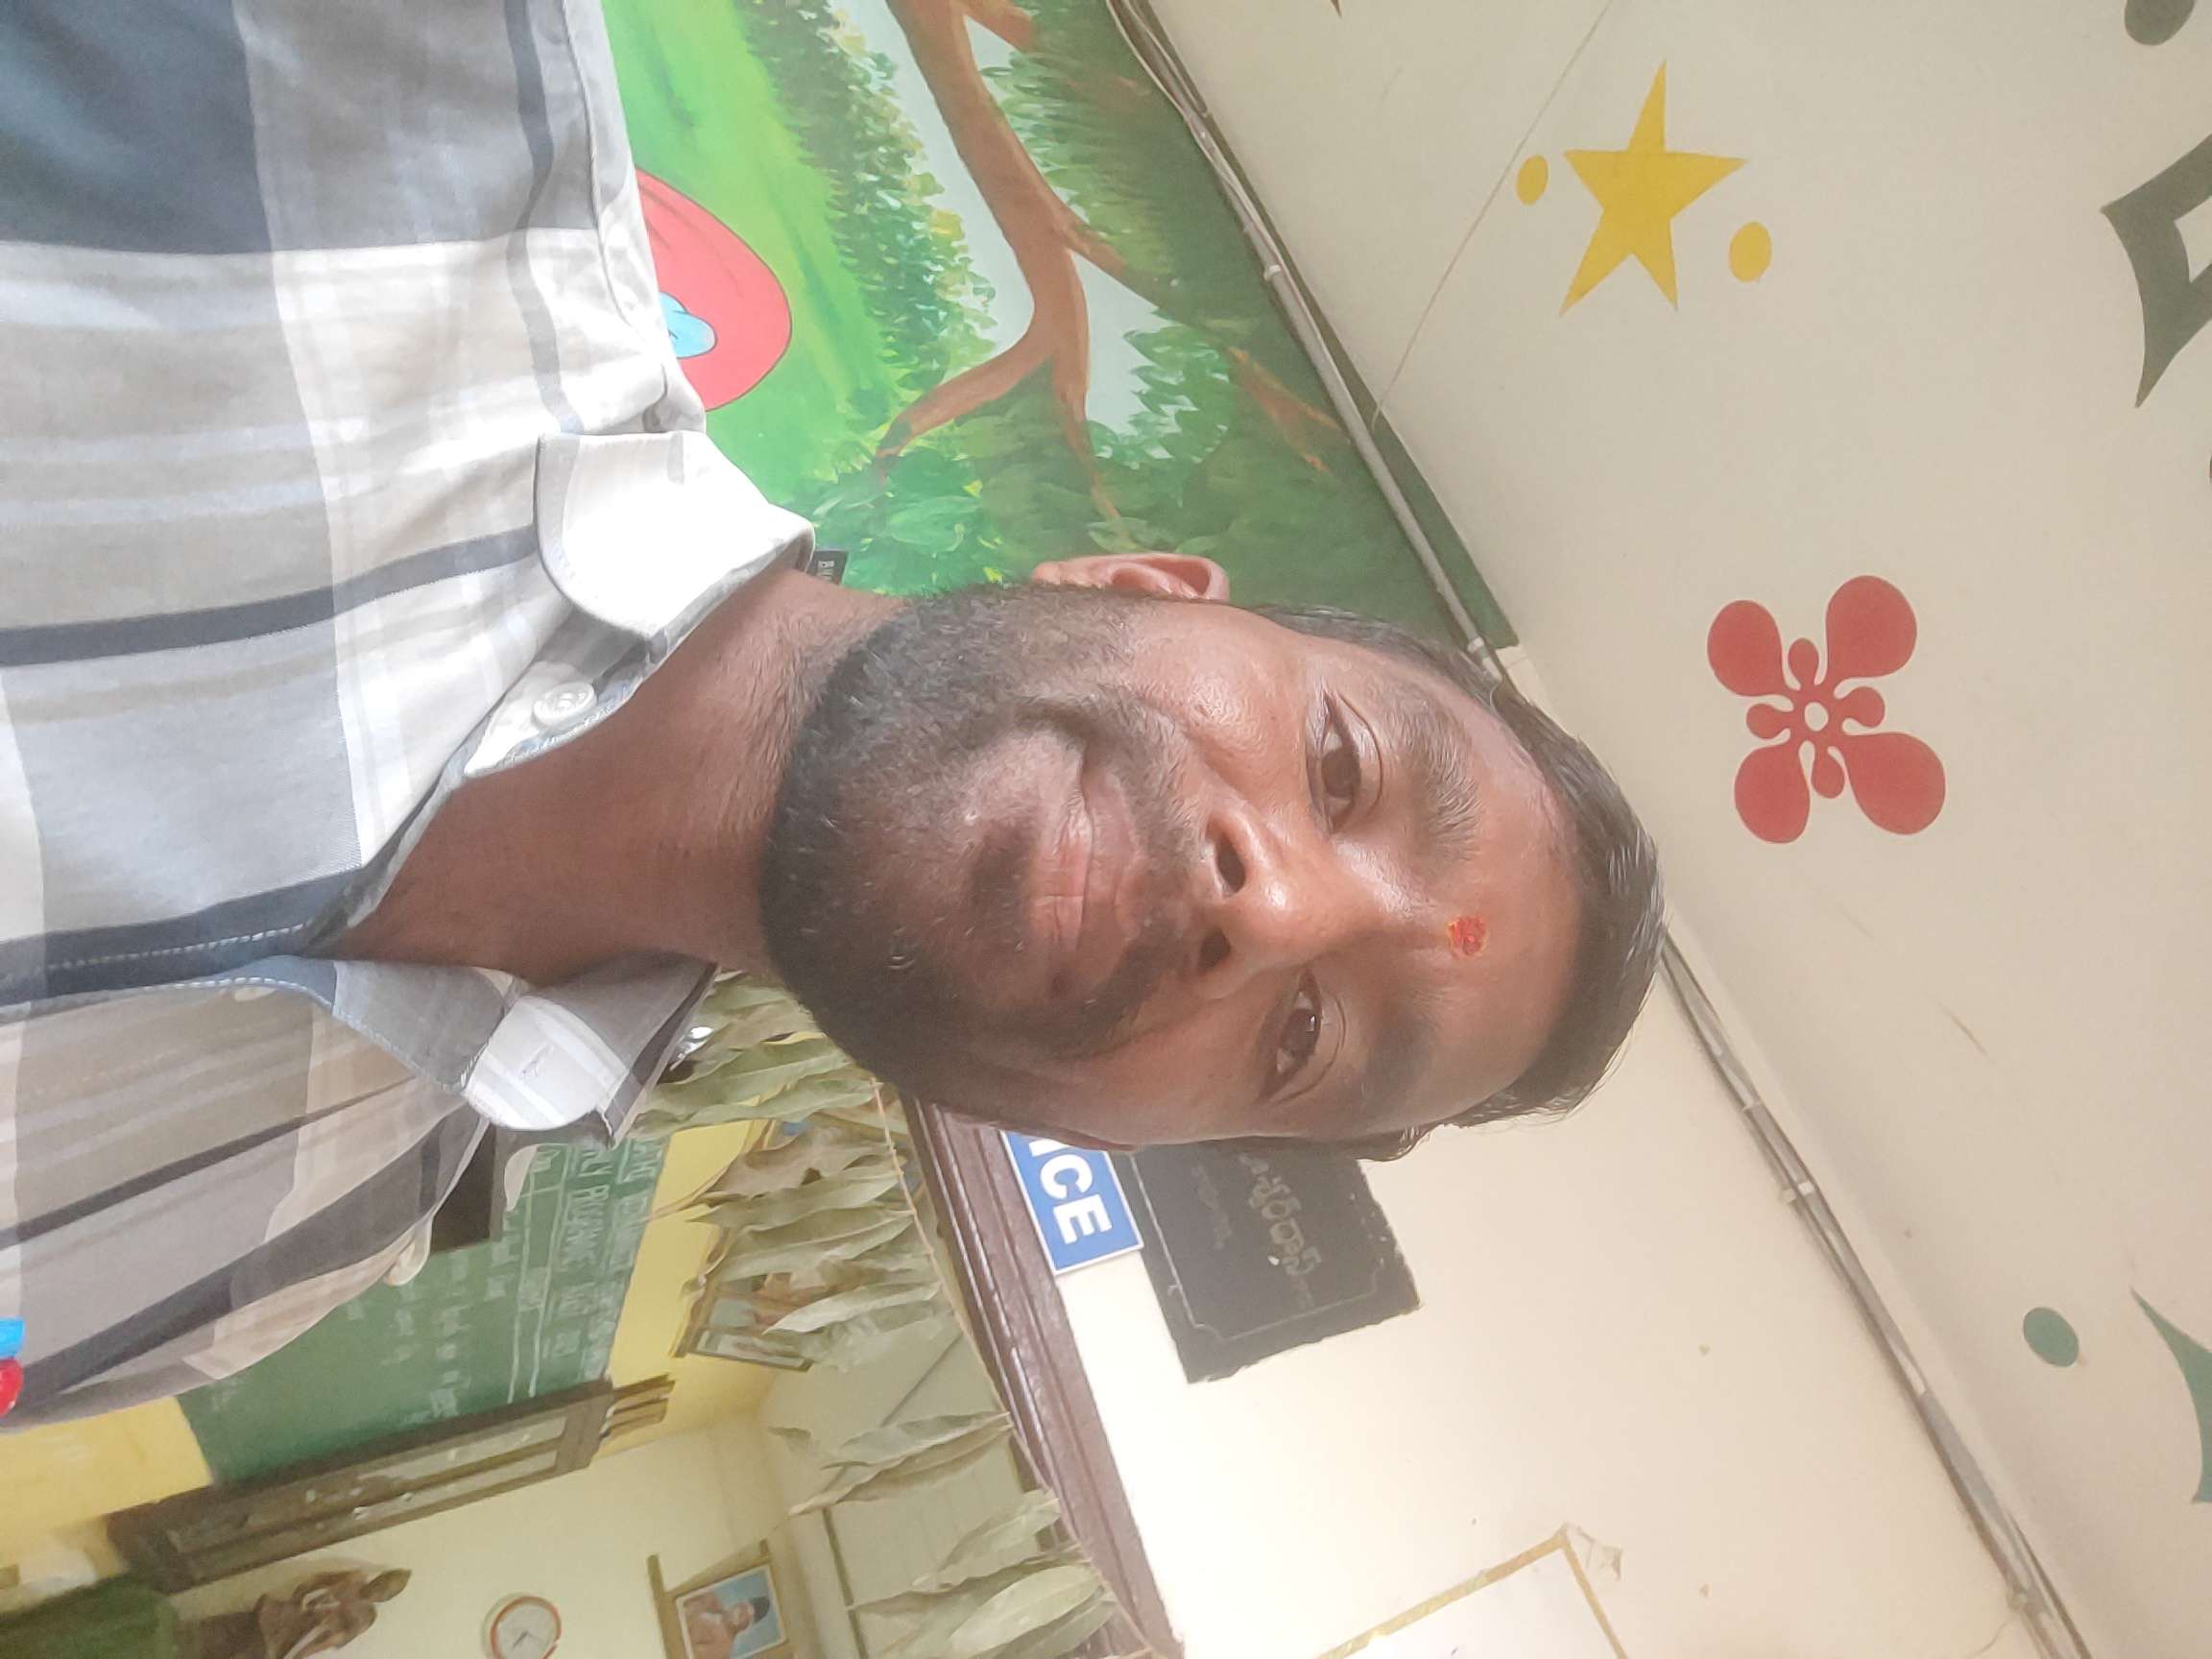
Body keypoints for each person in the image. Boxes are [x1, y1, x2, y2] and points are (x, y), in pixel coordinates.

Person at [0, 0, 1661, 1424]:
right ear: (1140, 582)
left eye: (1301, 1039)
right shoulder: (392, 85)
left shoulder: (272, 1265)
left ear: (1126, 1136)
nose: (1272, 909)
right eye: (1338, 765)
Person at [186, 1569, 410, 1659]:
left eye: (385, 1591)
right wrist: (301, 1595)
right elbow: (318, 1579)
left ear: (386, 1598)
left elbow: (334, 1639)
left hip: (293, 1636)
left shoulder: (365, 1617)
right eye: (381, 1582)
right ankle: (185, 1637)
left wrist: (302, 1653)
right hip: (284, 1613)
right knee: (226, 1628)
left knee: (245, 1653)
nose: (378, 1590)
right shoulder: (355, 1578)